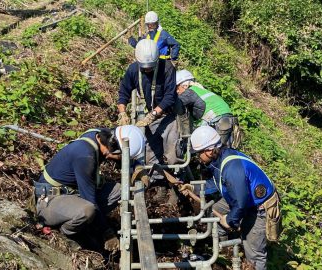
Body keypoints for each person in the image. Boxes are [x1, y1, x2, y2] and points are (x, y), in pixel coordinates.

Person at [180, 126, 282, 270]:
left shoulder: (231, 168)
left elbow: (240, 202)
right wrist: (194, 188)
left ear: (209, 151)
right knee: (214, 211)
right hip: (243, 198)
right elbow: (218, 184)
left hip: (259, 208)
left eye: (198, 153)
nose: (197, 157)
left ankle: (245, 257)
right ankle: (225, 251)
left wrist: (229, 220)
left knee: (254, 253)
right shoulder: (219, 161)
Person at [34, 126, 145, 249]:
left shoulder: (98, 135)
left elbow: (118, 151)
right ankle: (67, 233)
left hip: (70, 193)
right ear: (113, 150)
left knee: (118, 190)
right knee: (87, 210)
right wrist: (107, 233)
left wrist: (137, 165)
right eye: (123, 157)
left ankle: (88, 224)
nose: (122, 160)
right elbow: (89, 199)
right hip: (49, 201)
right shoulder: (85, 157)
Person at [117, 39, 180, 200]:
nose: (147, 70)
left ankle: (172, 179)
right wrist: (123, 113)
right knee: (151, 152)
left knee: (171, 150)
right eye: (144, 68)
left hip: (167, 115)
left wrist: (155, 113)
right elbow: (123, 92)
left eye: (150, 68)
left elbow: (170, 96)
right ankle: (157, 184)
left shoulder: (167, 68)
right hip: (149, 116)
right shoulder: (133, 70)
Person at [175, 69, 241, 148]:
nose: (177, 91)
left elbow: (174, 105)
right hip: (229, 121)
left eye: (177, 88)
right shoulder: (202, 90)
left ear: (184, 85)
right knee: (223, 152)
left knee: (213, 152)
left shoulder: (189, 92)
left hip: (218, 121)